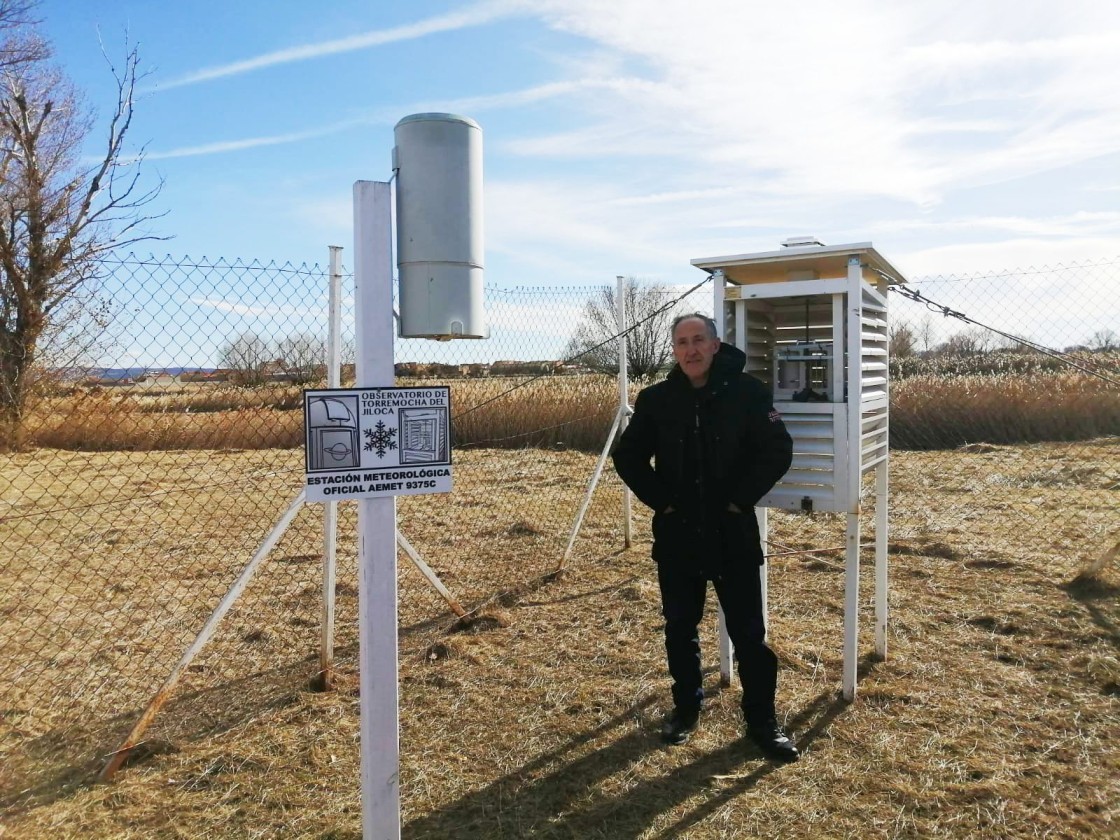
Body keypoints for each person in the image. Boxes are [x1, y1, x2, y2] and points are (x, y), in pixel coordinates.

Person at [611, 312, 798, 760]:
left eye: (699, 340)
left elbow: (778, 449)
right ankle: (686, 710)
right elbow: (628, 457)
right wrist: (664, 501)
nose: (690, 350)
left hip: (732, 531)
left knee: (749, 633)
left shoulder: (748, 393)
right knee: (680, 626)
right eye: (681, 342)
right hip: (678, 535)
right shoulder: (656, 400)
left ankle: (762, 722)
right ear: (674, 351)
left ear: (716, 345)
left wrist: (738, 500)